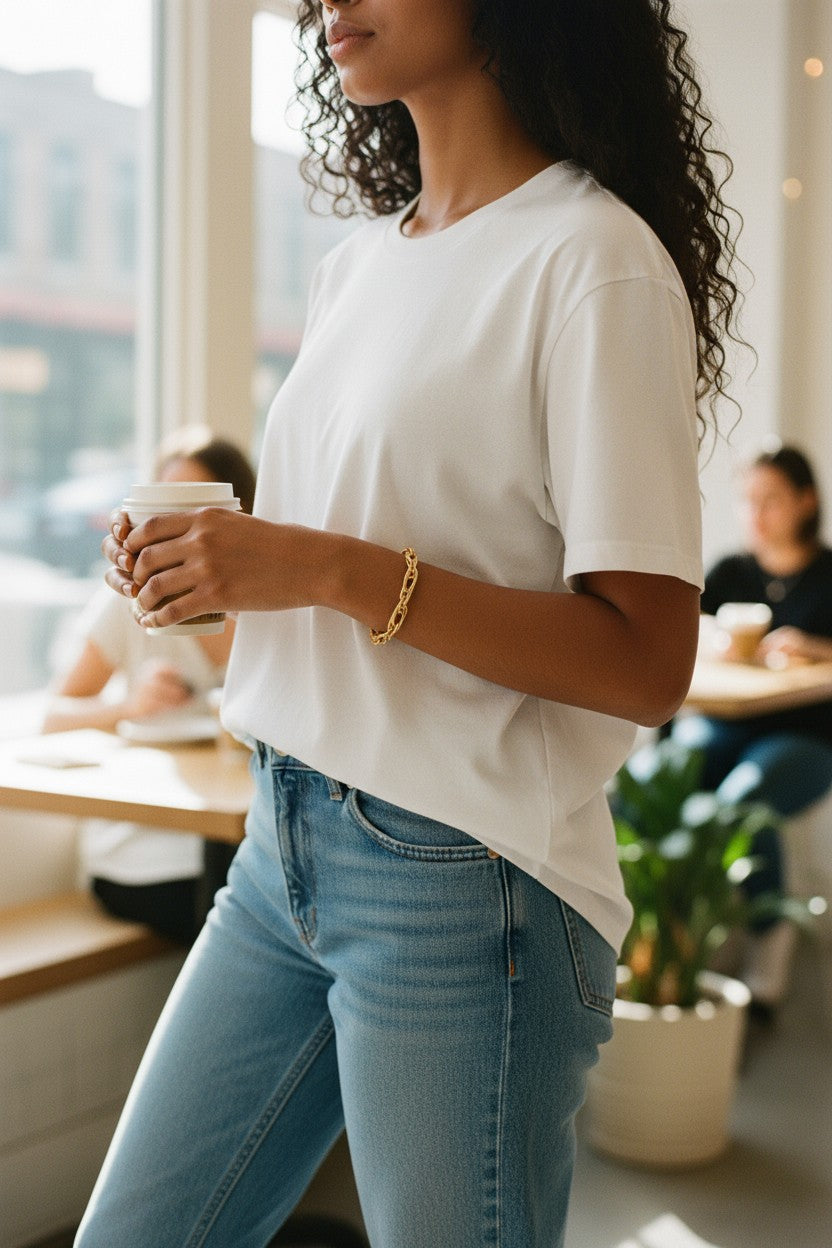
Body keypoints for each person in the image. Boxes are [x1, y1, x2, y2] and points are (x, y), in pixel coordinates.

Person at [75, 3, 740, 1245]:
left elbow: (647, 664)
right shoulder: (358, 264)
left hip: (464, 878)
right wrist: (228, 574)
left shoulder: (592, 259)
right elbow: (359, 578)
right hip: (279, 847)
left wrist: (324, 567)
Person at [43, 429, 257, 945]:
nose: (172, 531)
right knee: (247, 890)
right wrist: (127, 704)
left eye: (192, 511)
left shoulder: (268, 607)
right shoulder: (131, 601)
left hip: (239, 837)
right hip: (144, 855)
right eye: (159, 510)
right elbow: (53, 716)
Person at [672, 444, 832, 1007]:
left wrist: (814, 648)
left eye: (771, 501)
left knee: (747, 798)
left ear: (806, 502)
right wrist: (715, 638)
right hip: (725, 723)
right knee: (671, 773)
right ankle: (673, 941)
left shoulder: (827, 577)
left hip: (807, 736)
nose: (756, 516)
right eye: (748, 502)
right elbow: (681, 630)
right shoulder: (730, 573)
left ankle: (767, 956)